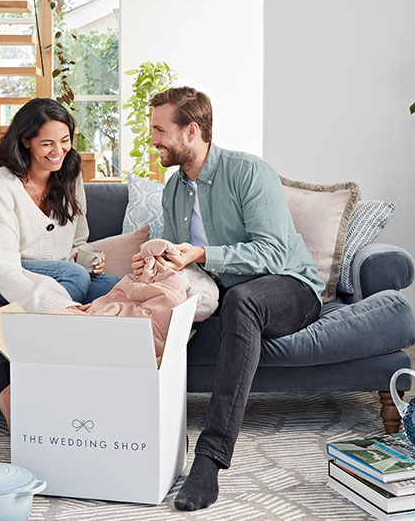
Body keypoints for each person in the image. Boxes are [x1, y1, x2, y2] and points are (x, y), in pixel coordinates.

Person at [133, 86, 324, 512]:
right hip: (226, 289)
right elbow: (185, 261)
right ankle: (144, 435)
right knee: (158, 298)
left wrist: (203, 253)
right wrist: (159, 266)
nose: (154, 139)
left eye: (160, 130)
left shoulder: (249, 173)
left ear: (192, 131)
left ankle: (210, 460)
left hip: (289, 285)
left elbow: (273, 252)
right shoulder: (174, 189)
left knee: (243, 301)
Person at [0, 97, 120, 314]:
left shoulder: (70, 175)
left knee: (115, 287)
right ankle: (6, 309)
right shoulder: (2, 183)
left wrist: (85, 258)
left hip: (56, 274)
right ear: (25, 141)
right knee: (75, 276)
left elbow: (78, 240)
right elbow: (4, 266)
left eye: (64, 140)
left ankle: (6, 309)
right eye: (47, 144)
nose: (58, 151)